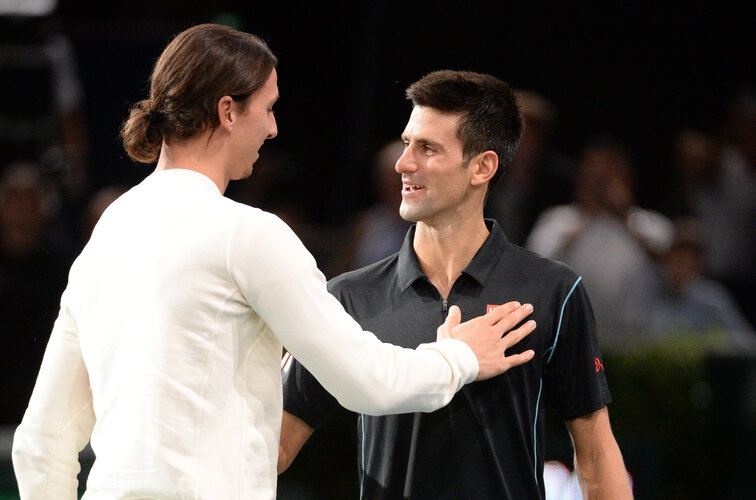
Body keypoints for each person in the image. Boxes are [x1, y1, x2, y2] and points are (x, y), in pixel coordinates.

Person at [11, 25, 538, 500]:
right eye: (268, 108)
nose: (273, 129)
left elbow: (40, 443)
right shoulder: (247, 234)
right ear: (227, 111)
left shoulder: (107, 234)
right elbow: (367, 380)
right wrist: (460, 357)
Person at [280, 70, 632, 499]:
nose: (403, 163)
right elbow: (273, 447)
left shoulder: (554, 290)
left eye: (427, 148)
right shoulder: (347, 297)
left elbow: (595, 452)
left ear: (482, 167)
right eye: (408, 142)